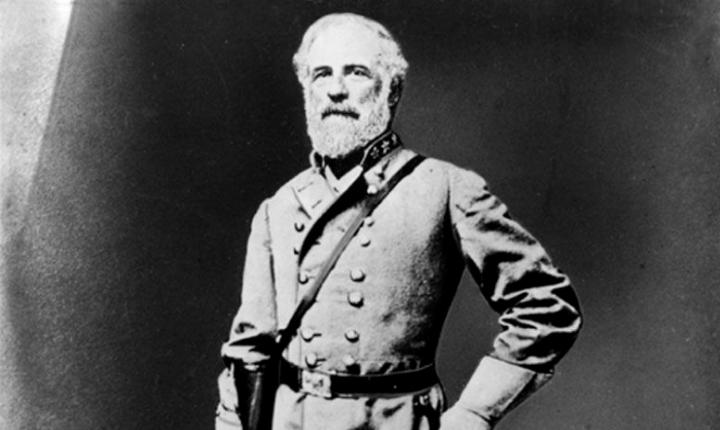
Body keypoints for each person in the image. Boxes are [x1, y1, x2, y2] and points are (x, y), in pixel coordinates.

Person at [216, 12, 582, 430]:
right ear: (307, 92)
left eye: (356, 72)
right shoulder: (279, 207)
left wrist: (476, 411)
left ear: (391, 90)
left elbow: (547, 305)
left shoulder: (444, 188)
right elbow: (248, 349)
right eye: (322, 75)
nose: (335, 89)